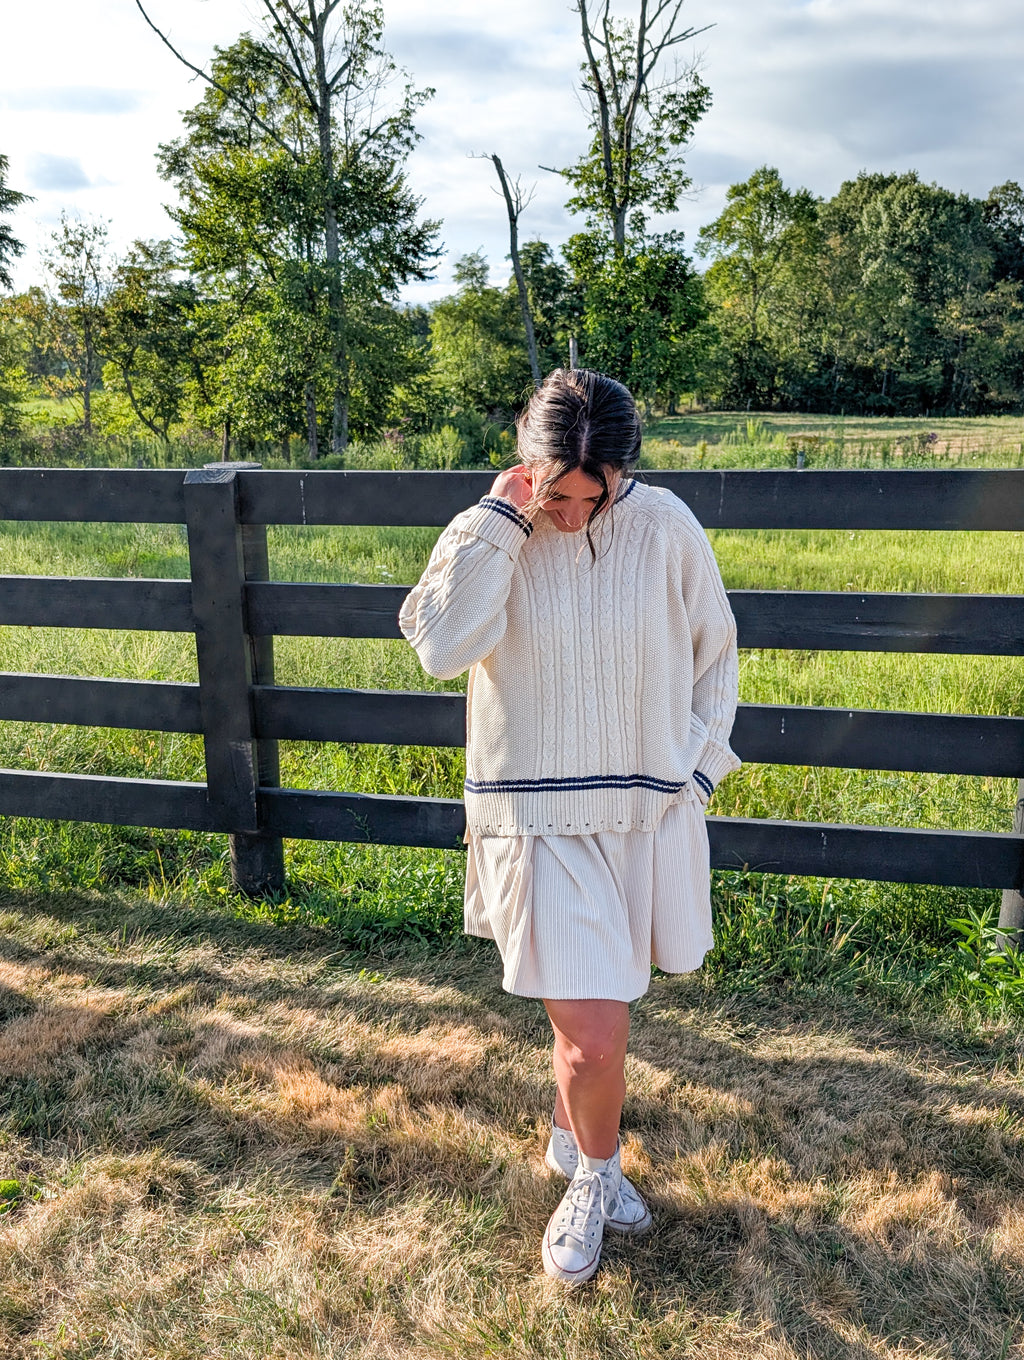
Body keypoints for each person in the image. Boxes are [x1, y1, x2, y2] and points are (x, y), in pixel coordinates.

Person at [399, 368, 740, 1285]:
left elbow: (718, 657)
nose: (577, 512)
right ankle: (595, 1173)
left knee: (595, 1020)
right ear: (526, 459)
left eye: (599, 493)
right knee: (597, 1037)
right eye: (560, 491)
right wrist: (508, 521)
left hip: (643, 814)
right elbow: (440, 647)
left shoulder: (666, 526)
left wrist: (698, 777)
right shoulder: (488, 529)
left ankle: (568, 1138)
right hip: (538, 816)